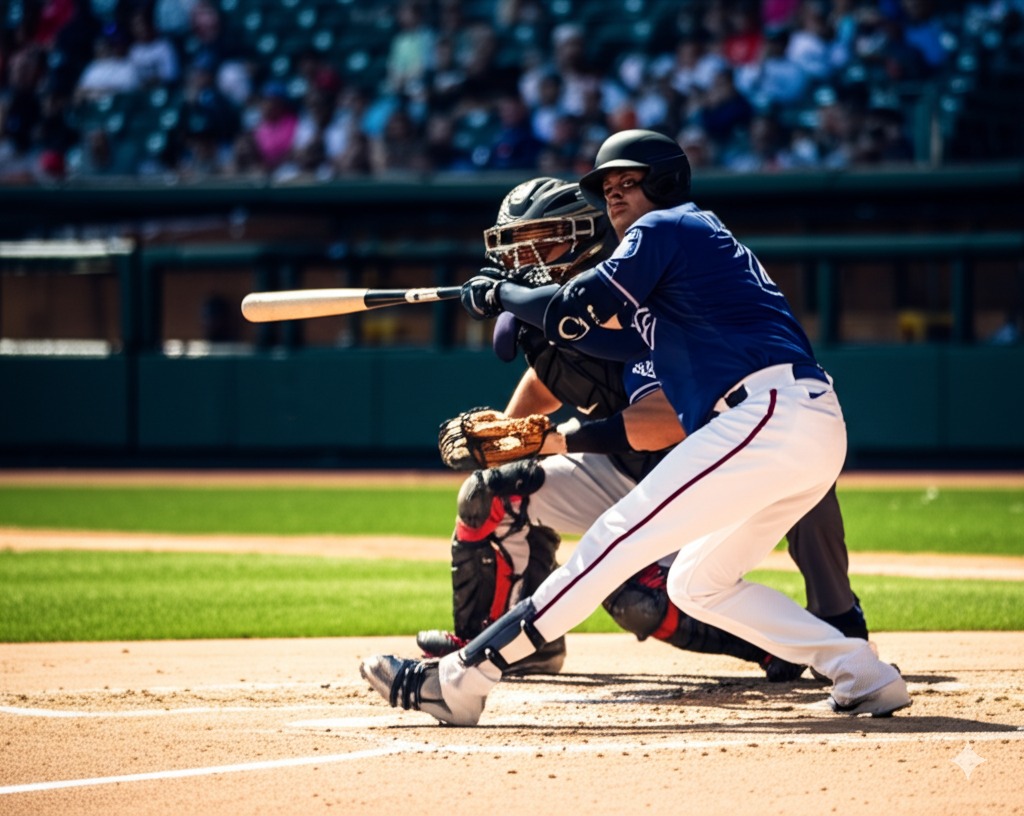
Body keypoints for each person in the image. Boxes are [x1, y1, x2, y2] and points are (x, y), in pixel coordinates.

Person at [361, 129, 911, 725]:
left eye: (629, 181)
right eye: (608, 186)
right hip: (800, 423)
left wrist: (503, 291)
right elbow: (583, 331)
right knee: (697, 583)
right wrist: (508, 301)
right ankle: (861, 671)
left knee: (611, 542)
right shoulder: (682, 253)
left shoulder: (666, 227)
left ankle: (463, 679)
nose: (615, 195)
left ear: (666, 183)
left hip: (766, 413)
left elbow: (573, 307)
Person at [418, 176, 868, 683]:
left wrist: (552, 439)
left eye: (543, 241)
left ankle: (785, 644)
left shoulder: (630, 290)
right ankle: (489, 639)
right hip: (619, 473)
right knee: (491, 495)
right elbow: (553, 373)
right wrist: (510, 434)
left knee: (636, 594)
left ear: (583, 236)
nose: (528, 258)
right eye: (519, 246)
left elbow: (660, 424)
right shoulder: (538, 312)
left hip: (699, 475)